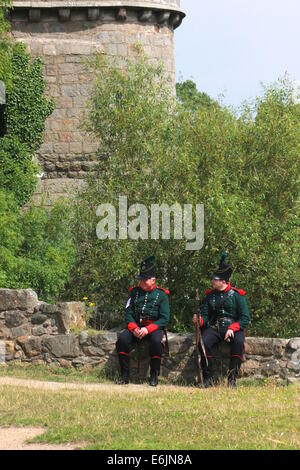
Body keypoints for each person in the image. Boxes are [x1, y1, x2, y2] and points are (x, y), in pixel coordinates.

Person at [193, 252, 250, 388]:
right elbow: (205, 315)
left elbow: (245, 318)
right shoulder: (210, 296)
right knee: (204, 342)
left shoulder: (237, 296)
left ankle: (232, 380)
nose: (212, 281)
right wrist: (199, 320)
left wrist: (232, 328)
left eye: (215, 279)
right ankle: (208, 379)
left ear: (223, 282)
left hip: (233, 327)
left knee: (239, 342)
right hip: (215, 327)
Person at [116, 255, 170, 386]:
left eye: (144, 280)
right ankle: (125, 375)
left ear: (153, 280)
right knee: (122, 339)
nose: (141, 283)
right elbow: (128, 312)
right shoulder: (134, 293)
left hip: (153, 327)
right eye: (141, 280)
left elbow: (164, 318)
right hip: (136, 326)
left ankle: (154, 375)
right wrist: (134, 327)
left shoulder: (162, 295)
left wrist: (148, 329)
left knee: (157, 342)